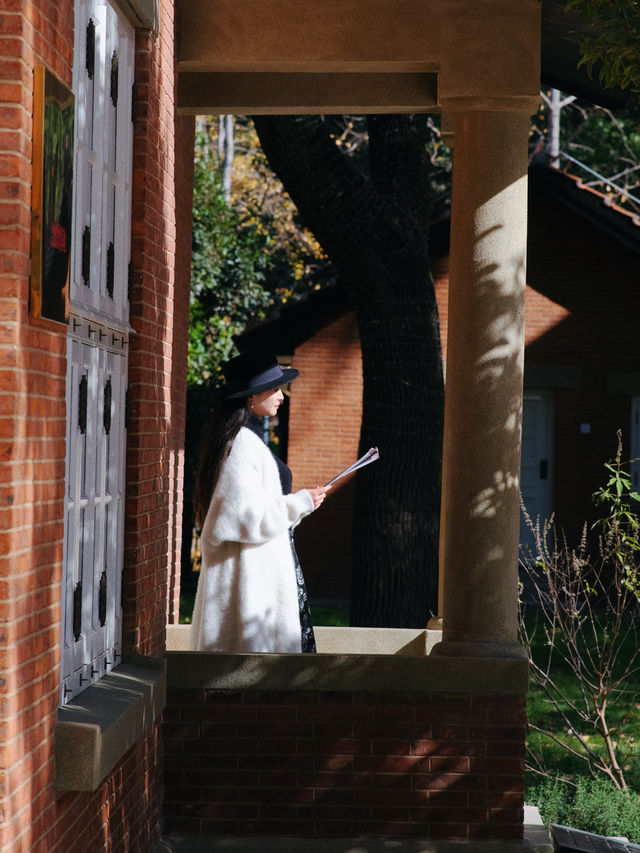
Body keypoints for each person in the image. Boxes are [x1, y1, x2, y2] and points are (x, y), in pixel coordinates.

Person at [190, 350, 329, 654]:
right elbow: (245, 519)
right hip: (252, 587)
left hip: (262, 578)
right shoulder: (243, 446)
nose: (282, 395)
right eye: (275, 388)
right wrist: (299, 502)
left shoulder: (241, 441)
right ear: (252, 397)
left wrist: (301, 507)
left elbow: (256, 514)